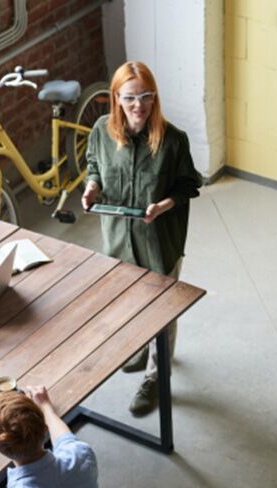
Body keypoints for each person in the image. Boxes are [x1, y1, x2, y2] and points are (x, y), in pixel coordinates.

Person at [82, 61, 202, 417]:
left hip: (158, 241)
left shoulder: (173, 140)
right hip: (119, 240)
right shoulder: (102, 131)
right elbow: (93, 166)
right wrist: (92, 188)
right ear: (116, 98)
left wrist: (163, 206)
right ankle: (137, 349)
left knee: (162, 311)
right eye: (131, 98)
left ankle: (156, 375)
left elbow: (189, 184)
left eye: (146, 97)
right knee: (130, 302)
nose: (139, 106)